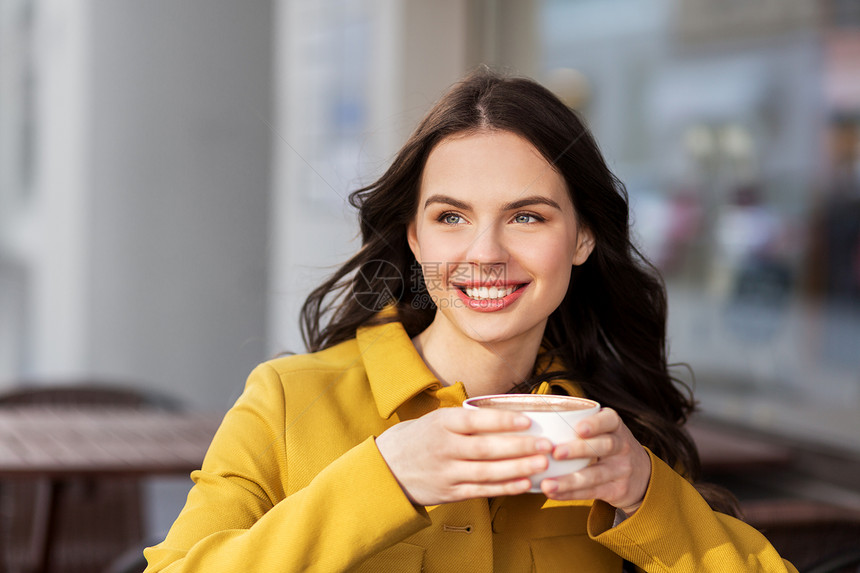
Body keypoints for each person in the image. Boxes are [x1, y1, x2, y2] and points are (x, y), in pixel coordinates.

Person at [144, 69, 796, 572]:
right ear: (415, 237)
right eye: (451, 217)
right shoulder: (287, 402)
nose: (484, 253)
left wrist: (646, 491)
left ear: (583, 237)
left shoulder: (607, 425)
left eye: (527, 216)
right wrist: (384, 478)